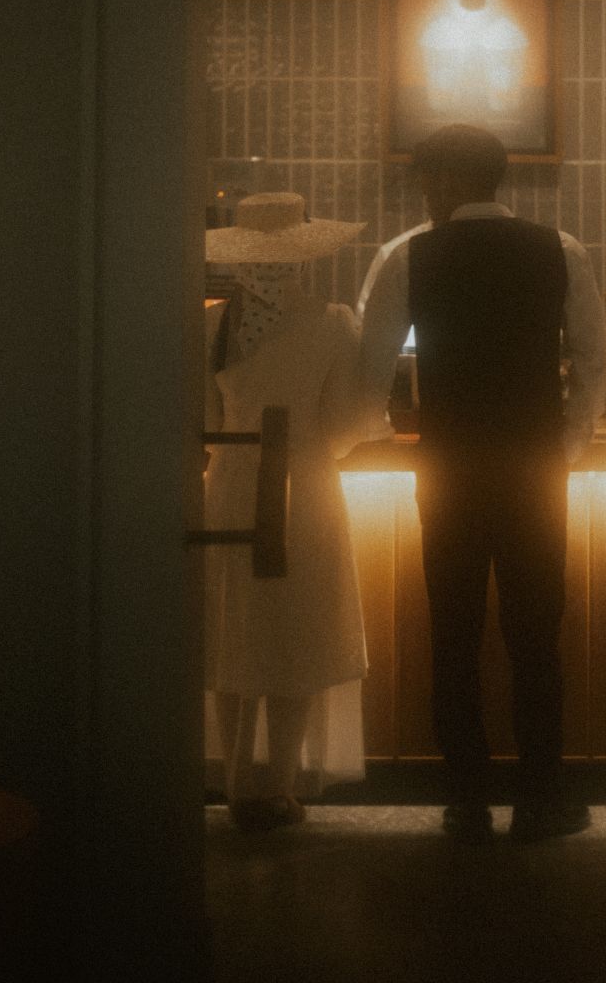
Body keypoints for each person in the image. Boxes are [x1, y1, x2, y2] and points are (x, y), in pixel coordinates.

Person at [358, 124, 606, 843]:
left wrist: (376, 433)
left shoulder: (407, 255)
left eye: (423, 181)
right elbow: (593, 360)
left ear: (441, 181)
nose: (422, 195)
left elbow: (372, 372)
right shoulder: (560, 250)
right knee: (535, 636)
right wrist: (567, 445)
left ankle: (466, 802)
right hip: (533, 471)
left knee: (455, 634)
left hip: (449, 470)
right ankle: (540, 801)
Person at [204, 191, 369, 831]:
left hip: (230, 489)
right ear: (303, 256)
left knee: (232, 636)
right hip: (306, 489)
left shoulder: (212, 325)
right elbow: (346, 426)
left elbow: (204, 422)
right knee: (296, 635)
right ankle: (280, 784)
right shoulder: (334, 323)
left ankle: (236, 782)